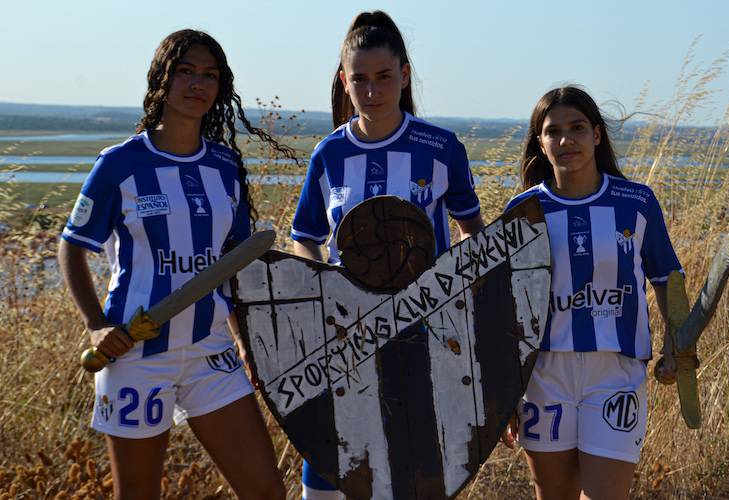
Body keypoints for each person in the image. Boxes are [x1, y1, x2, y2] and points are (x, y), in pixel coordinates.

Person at [58, 29, 294, 500]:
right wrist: (95, 325)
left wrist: (245, 342)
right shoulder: (120, 163)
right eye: (185, 71)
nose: (197, 84)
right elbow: (72, 246)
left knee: (266, 491)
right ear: (161, 79)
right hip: (135, 357)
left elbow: (236, 265)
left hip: (211, 353)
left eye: (209, 75)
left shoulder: (225, 165)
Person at [290, 10, 485, 499]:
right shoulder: (328, 155)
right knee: (330, 468)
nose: (372, 91)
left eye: (383, 78)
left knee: (413, 473)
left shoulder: (440, 148)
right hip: (345, 338)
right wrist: (319, 294)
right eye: (360, 80)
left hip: (425, 338)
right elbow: (305, 236)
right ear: (343, 81)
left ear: (404, 75)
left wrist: (458, 304)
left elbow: (472, 235)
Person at [502, 86, 683, 499]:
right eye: (554, 131)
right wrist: (505, 388)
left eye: (578, 127)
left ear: (597, 135)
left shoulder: (636, 201)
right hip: (543, 375)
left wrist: (676, 342)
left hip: (615, 375)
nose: (566, 140)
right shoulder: (522, 211)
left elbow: (667, 280)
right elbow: (504, 305)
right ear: (540, 143)